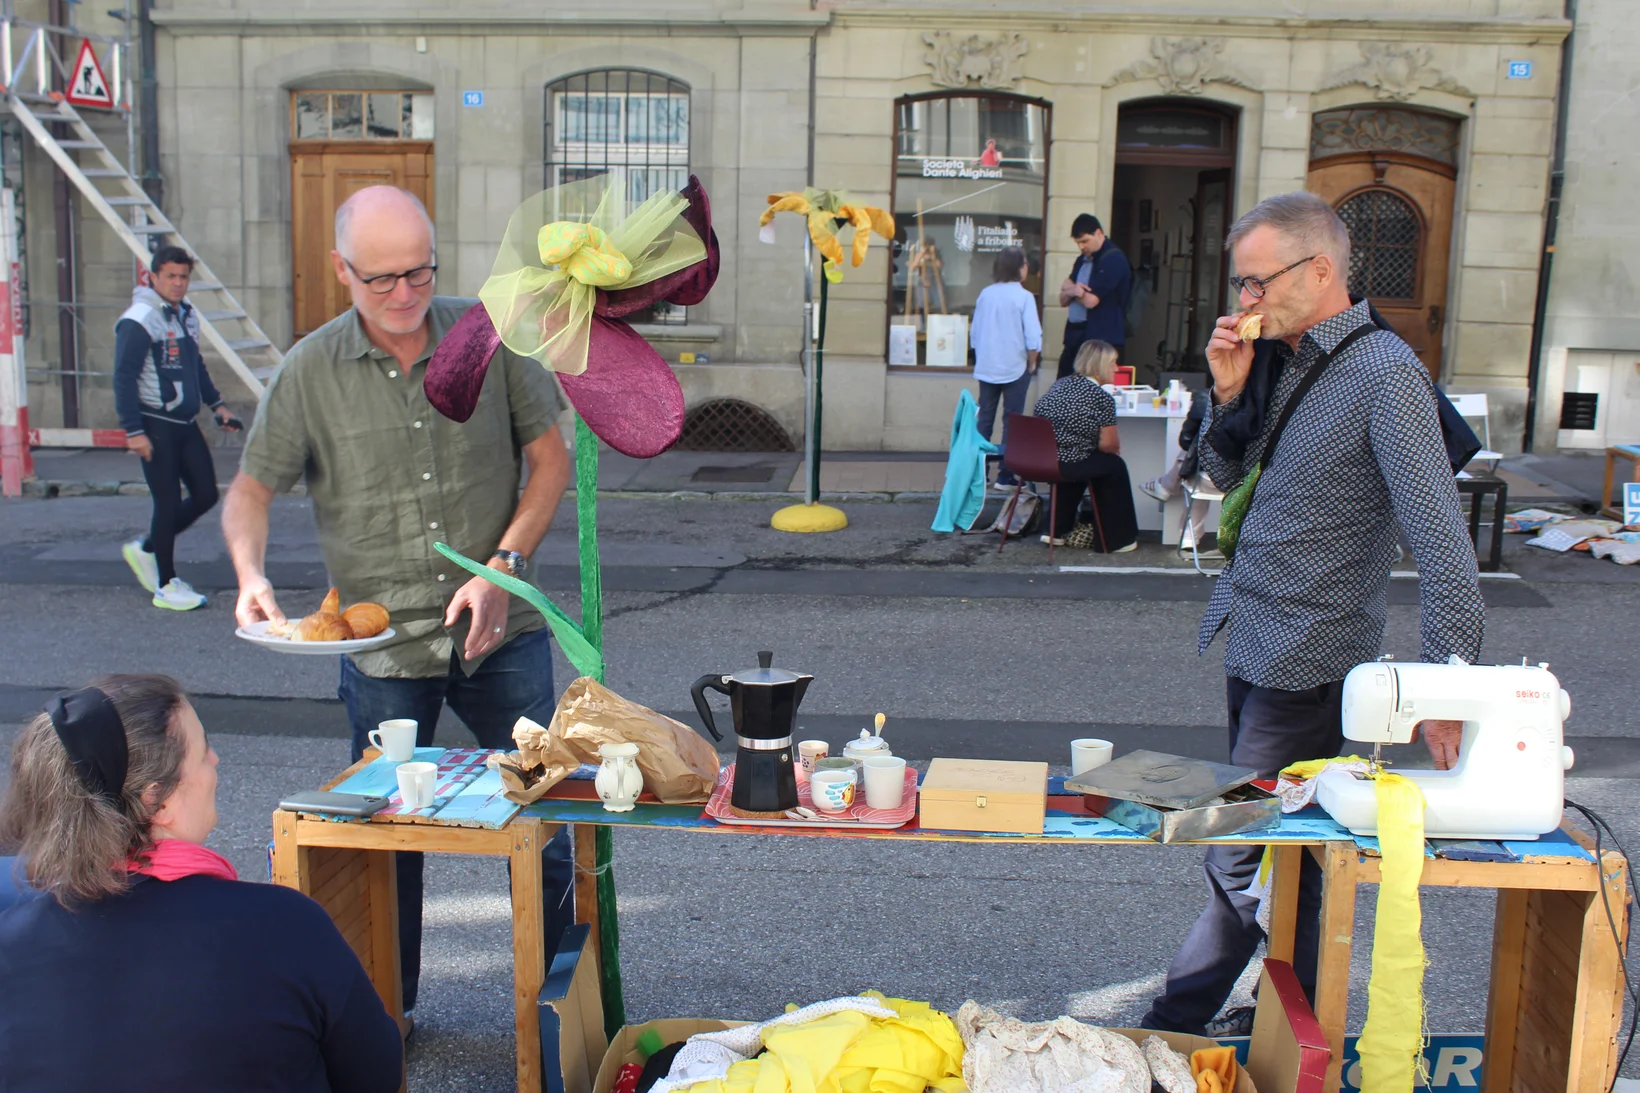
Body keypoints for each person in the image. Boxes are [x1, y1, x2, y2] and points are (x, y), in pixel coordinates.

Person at [221, 185, 574, 1019]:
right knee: (380, 844)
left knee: (554, 818)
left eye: (420, 271)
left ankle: (567, 1013)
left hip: (504, 628)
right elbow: (250, 490)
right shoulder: (311, 369)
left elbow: (549, 460)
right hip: (380, 652)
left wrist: (503, 562)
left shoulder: (487, 335)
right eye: (381, 279)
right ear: (341, 269)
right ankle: (386, 1017)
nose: (406, 294)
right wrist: (249, 573)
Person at [1139, 192, 1483, 1037]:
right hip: (1252, 633)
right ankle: (1295, 1021)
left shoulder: (1386, 375)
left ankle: (1172, 1022)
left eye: (1258, 283)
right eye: (1241, 284)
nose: (1244, 301)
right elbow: (1228, 475)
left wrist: (1450, 682)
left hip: (1311, 653)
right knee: (1296, 858)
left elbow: (1442, 539)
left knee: (1240, 853)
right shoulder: (1285, 357)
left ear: (1319, 270)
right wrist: (1225, 393)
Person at [0, 674, 402, 1091]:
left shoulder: (11, 940)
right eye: (202, 748)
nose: (215, 760)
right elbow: (377, 1074)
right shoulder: (283, 924)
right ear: (157, 801)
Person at [114, 245, 242, 611]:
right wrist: (133, 431)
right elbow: (123, 378)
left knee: (206, 494)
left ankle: (148, 548)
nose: (177, 283)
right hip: (155, 424)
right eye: (170, 276)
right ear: (153, 277)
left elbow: (195, 366)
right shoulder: (139, 319)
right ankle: (166, 584)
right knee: (166, 501)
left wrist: (218, 407)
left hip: (185, 423)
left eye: (183, 276)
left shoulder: (185, 315)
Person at [1030, 339, 1138, 551]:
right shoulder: (1101, 398)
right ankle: (1116, 539)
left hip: (1044, 460)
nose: (1117, 369)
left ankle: (1055, 530)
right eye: (1113, 363)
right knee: (1113, 465)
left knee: (1082, 458)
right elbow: (1108, 445)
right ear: (1099, 366)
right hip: (1071, 463)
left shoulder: (1060, 385)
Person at [969, 246, 1042, 488]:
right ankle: (1005, 475)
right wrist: (1032, 362)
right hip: (1015, 367)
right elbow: (1033, 337)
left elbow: (974, 333)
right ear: (1020, 268)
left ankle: (978, 474)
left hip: (987, 366)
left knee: (984, 420)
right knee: (1013, 421)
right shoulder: (1024, 297)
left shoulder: (985, 294)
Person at [1139, 388, 1216, 551]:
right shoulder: (1264, 401)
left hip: (1208, 479)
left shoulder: (1207, 399)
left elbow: (1185, 441)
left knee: (1198, 472)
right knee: (1206, 467)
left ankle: (1167, 486)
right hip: (1246, 482)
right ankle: (1167, 485)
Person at [1056, 214, 1132, 378]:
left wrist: (1074, 291)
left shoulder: (1113, 259)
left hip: (1100, 340)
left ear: (1099, 233)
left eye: (1085, 241)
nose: (1082, 247)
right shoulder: (1082, 260)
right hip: (1075, 337)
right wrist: (1075, 291)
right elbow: (1063, 296)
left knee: (1095, 388)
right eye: (1078, 243)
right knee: (1064, 386)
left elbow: (1091, 301)